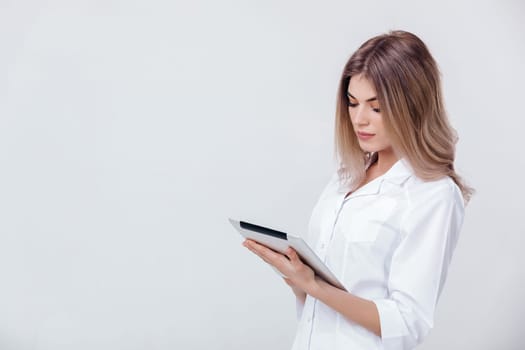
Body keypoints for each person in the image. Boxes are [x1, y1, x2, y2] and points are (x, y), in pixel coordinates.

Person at [242, 30, 474, 350]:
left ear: (413, 106)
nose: (359, 119)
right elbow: (319, 300)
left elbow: (407, 323)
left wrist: (314, 285)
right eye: (352, 103)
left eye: (376, 108)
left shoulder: (432, 194)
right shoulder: (345, 180)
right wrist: (296, 277)